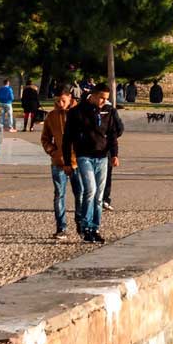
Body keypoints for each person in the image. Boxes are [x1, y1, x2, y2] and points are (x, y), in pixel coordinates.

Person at [62, 88, 120, 242]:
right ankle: (86, 226)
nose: (104, 101)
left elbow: (113, 134)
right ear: (93, 96)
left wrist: (114, 154)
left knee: (99, 196)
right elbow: (67, 138)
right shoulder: (76, 112)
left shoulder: (108, 111)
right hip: (84, 156)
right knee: (90, 190)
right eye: (101, 97)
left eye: (106, 98)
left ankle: (95, 227)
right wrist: (67, 162)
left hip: (102, 157)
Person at [40, 89, 77, 240]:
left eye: (63, 100)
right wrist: (53, 152)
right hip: (58, 162)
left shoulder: (78, 114)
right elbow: (45, 138)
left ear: (70, 98)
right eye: (57, 101)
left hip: (77, 162)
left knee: (81, 195)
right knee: (59, 194)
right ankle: (61, 227)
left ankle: (82, 224)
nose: (60, 104)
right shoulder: (51, 116)